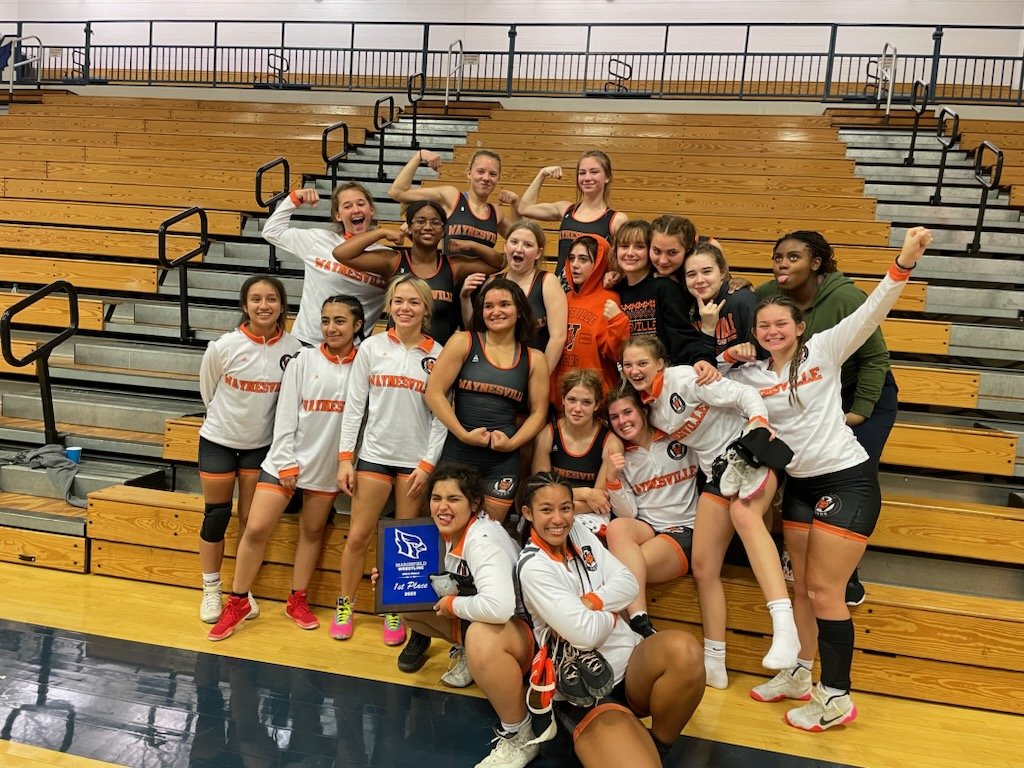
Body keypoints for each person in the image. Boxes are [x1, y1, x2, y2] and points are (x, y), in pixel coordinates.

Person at [725, 227, 932, 730]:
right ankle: (799, 674)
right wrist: (718, 363)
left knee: (823, 591)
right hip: (800, 487)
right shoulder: (751, 375)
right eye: (764, 325)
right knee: (800, 588)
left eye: (781, 323)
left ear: (798, 327)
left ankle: (836, 696)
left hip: (847, 481)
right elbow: (698, 382)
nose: (772, 330)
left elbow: (872, 312)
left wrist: (903, 262)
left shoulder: (823, 351)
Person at [620, 335, 800, 688]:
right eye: (628, 365)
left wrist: (759, 423)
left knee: (746, 519)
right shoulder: (648, 406)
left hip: (750, 452)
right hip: (717, 472)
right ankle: (715, 661)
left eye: (642, 362)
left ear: (660, 363)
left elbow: (745, 395)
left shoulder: (685, 379)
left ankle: (784, 627)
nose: (634, 370)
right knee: (703, 567)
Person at [516, 472, 705, 767]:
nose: (558, 519)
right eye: (546, 509)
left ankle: (659, 746)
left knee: (686, 651)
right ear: (528, 513)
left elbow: (628, 583)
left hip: (629, 666)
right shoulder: (533, 567)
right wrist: (613, 614)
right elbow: (585, 636)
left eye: (565, 508)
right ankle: (619, 744)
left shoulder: (577, 532)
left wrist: (592, 602)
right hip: (582, 690)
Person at [756, 230, 900, 607]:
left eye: (793, 258)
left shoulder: (845, 297)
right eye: (777, 257)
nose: (783, 265)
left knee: (850, 470)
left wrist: (859, 412)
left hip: (863, 393)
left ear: (816, 263)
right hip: (811, 392)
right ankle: (800, 560)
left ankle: (845, 575)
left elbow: (874, 359)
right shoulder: (770, 293)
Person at [394, 466, 536, 768]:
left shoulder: (482, 540)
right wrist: (390, 582)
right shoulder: (452, 530)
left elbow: (499, 608)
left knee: (481, 636)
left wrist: (452, 606)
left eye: (453, 499)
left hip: (531, 639)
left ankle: (520, 734)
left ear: (474, 503)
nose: (442, 507)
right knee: (407, 605)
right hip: (509, 626)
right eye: (436, 498)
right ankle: (471, 658)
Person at [332, 276, 447, 645]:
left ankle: (395, 608)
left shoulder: (438, 354)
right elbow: (354, 407)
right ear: (389, 305)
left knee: (403, 542)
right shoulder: (372, 348)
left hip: (413, 465)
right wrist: (345, 459)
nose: (405, 308)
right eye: (399, 301)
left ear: (426, 309)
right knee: (360, 536)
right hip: (374, 458)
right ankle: (345, 604)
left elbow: (442, 416)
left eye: (414, 302)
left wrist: (428, 464)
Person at [196, 276, 304, 625]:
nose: (263, 305)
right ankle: (211, 589)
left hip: (262, 447)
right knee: (216, 515)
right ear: (244, 306)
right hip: (219, 442)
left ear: (281, 305)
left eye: (271, 298)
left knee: (250, 520)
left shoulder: (295, 348)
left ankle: (242, 590)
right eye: (255, 299)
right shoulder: (223, 346)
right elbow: (208, 392)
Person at [424, 278, 550, 522]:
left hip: (502, 461)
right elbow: (434, 392)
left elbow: (538, 414)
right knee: (447, 530)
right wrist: (462, 433)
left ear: (520, 311)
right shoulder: (464, 341)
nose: (496, 312)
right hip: (458, 452)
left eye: (504, 304)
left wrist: (512, 444)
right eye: (489, 306)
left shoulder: (535, 358)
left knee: (489, 534)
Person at [603, 385, 701, 640]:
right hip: (647, 527)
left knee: (625, 570)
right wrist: (612, 478)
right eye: (615, 417)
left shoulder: (677, 436)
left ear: (643, 411)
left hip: (684, 530)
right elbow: (628, 512)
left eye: (628, 412)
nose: (622, 421)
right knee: (617, 527)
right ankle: (640, 621)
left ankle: (631, 632)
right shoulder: (621, 455)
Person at [331, 200, 503, 345]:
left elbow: (499, 263)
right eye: (420, 221)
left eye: (435, 222)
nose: (428, 227)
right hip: (396, 354)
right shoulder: (393, 261)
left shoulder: (453, 266)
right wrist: (381, 233)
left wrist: (471, 245)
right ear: (410, 227)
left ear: (443, 231)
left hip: (438, 359)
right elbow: (341, 254)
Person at [262, 184, 387, 345]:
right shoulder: (318, 240)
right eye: (347, 206)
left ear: (371, 210)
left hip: (354, 351)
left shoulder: (385, 257)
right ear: (338, 216)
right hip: (307, 343)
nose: (355, 210)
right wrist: (293, 199)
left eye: (361, 204)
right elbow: (271, 232)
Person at [460, 219, 568, 374]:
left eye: (528, 245)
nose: (519, 249)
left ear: (538, 253)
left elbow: (558, 338)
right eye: (514, 242)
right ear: (505, 246)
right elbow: (475, 329)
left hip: (530, 371)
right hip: (492, 370)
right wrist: (464, 297)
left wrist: (541, 377)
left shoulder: (547, 282)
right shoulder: (491, 282)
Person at [611, 219, 717, 367]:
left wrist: (701, 359)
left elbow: (683, 336)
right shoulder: (614, 289)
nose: (630, 253)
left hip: (664, 375)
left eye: (639, 246)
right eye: (624, 246)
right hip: (628, 373)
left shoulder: (666, 287)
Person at [510, 151, 629, 279]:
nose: (587, 178)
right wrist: (542, 174)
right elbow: (524, 208)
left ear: (607, 177)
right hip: (559, 290)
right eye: (582, 173)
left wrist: (614, 274)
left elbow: (626, 261)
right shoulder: (565, 209)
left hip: (591, 293)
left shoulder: (616, 220)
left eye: (594, 172)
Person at [532, 369, 622, 536]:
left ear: (597, 405)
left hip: (591, 514)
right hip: (551, 509)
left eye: (586, 402)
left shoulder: (610, 442)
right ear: (563, 400)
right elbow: (539, 489)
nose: (577, 408)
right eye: (572, 400)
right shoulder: (548, 434)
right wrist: (586, 493)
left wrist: (560, 504)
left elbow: (601, 500)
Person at [389, 148, 513, 262]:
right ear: (469, 173)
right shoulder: (452, 197)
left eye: (492, 174)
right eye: (480, 171)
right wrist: (420, 155)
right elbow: (397, 192)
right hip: (449, 280)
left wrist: (515, 203)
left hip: (482, 283)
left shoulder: (496, 213)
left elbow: (522, 235)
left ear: (498, 178)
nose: (486, 178)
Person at [550, 235, 629, 410]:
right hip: (560, 400)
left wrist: (618, 322)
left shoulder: (610, 298)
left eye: (583, 259)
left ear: (598, 263)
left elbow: (617, 353)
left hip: (595, 401)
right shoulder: (562, 298)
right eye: (572, 258)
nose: (575, 265)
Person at [683, 241, 761, 357]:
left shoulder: (742, 300)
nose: (699, 280)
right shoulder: (685, 307)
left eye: (707, 271)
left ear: (723, 272)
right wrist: (707, 330)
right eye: (691, 274)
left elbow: (762, 354)